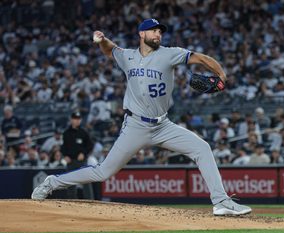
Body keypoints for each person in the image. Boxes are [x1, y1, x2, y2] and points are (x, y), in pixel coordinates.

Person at [32, 18, 251, 216]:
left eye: (159, 32)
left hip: (163, 125)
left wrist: (221, 74)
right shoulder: (128, 56)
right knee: (103, 171)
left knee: (202, 148)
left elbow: (200, 58)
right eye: (153, 31)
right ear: (142, 34)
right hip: (135, 125)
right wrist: (102, 40)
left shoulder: (169, 53)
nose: (158, 34)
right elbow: (111, 50)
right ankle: (52, 182)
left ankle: (221, 201)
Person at [61, 111, 94, 199]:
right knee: (70, 183)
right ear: (71, 120)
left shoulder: (84, 132)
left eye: (79, 119)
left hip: (81, 161)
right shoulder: (66, 133)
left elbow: (90, 145)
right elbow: (63, 147)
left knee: (86, 181)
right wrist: (65, 156)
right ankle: (72, 203)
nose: (77, 121)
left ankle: (90, 201)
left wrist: (84, 153)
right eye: (75, 119)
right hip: (70, 161)